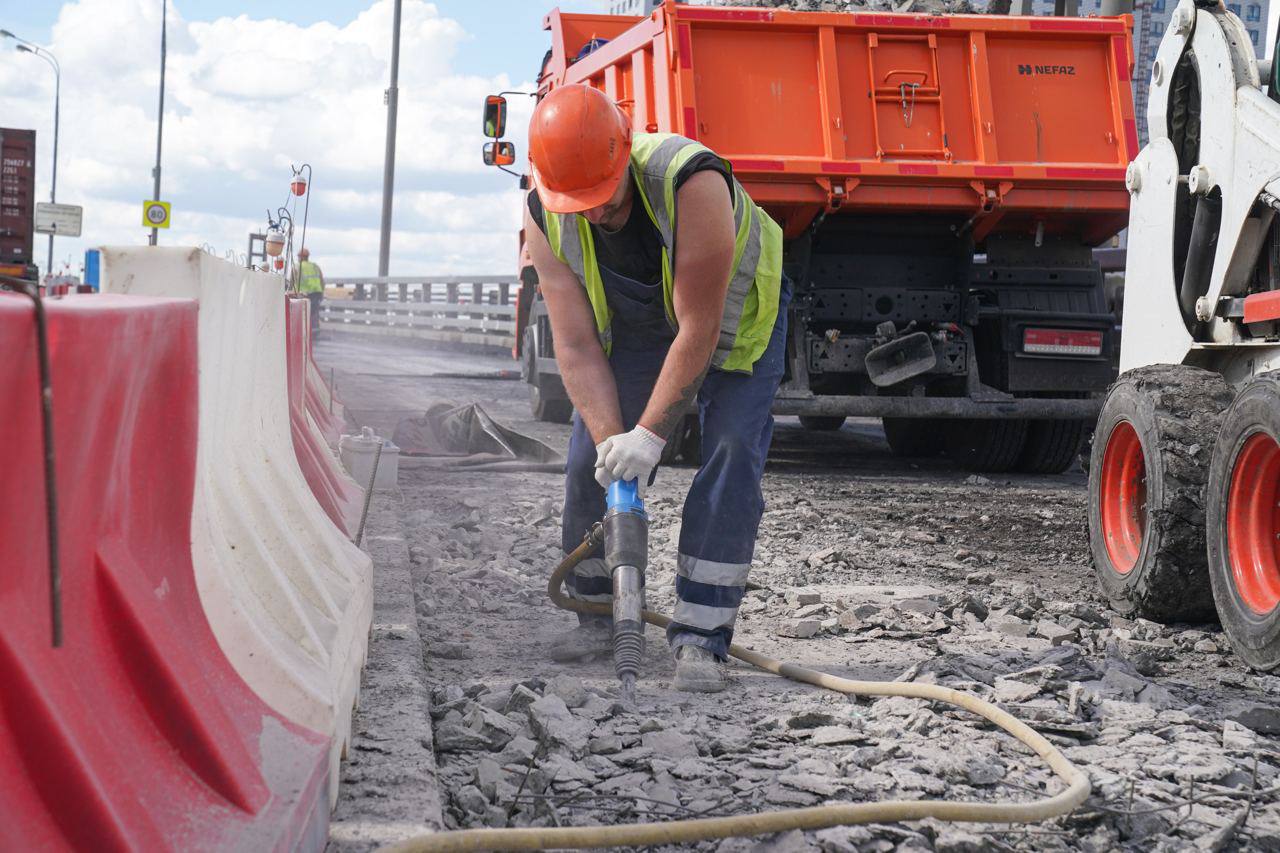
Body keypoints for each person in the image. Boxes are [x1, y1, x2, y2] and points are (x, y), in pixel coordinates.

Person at [523, 84, 789, 693]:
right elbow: (576, 345)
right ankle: (596, 611)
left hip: (736, 320)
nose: (593, 215)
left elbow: (699, 328)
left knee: (731, 452)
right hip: (642, 328)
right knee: (589, 459)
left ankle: (702, 637)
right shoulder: (543, 214)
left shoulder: (691, 181)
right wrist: (613, 442)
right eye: (578, 203)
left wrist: (649, 436)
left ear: (624, 153)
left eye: (602, 198)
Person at [295, 247, 325, 333]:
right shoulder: (315, 266)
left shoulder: (297, 266)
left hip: (304, 295)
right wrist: (322, 293)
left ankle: (304, 332)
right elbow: (322, 281)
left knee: (303, 315)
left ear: (300, 257)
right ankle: (315, 332)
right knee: (314, 314)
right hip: (317, 294)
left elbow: (292, 282)